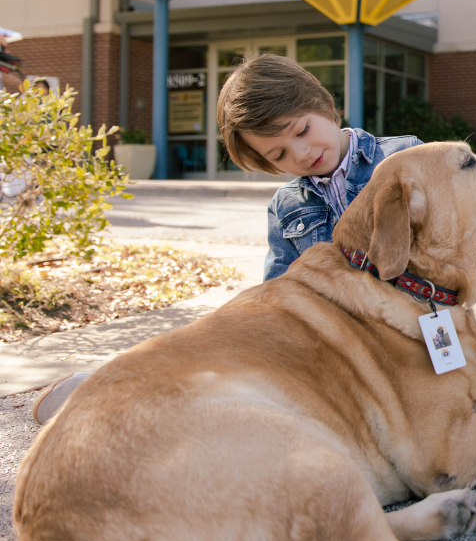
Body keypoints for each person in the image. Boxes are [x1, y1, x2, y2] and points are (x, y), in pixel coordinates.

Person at [31, 55, 422, 425]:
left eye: (302, 130)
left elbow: (469, 226)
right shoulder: (287, 204)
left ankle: (131, 401)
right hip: (329, 341)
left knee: (267, 404)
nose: (301, 153)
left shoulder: (408, 156)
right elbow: (278, 293)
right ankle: (116, 392)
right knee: (235, 350)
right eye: (279, 153)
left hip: (410, 337)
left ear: (326, 105)